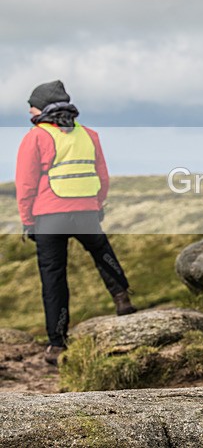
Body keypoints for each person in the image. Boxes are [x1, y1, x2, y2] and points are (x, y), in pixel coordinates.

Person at [15, 80, 137, 366]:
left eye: (31, 105)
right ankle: (122, 298)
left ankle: (57, 344)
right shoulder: (89, 135)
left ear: (42, 108)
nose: (29, 110)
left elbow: (25, 183)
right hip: (85, 210)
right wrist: (97, 204)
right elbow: (102, 176)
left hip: (48, 215)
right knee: (102, 252)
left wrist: (27, 220)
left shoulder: (35, 137)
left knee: (54, 278)